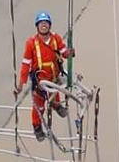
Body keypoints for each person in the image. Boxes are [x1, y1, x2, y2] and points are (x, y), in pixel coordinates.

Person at [15, 11, 75, 142]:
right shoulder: (31, 43)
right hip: (40, 81)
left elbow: (63, 51)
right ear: (37, 26)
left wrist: (69, 53)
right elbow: (26, 63)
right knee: (39, 106)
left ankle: (56, 105)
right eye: (41, 23)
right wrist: (21, 83)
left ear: (50, 25)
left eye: (46, 23)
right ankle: (37, 127)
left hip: (53, 77)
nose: (44, 25)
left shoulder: (56, 39)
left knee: (54, 94)